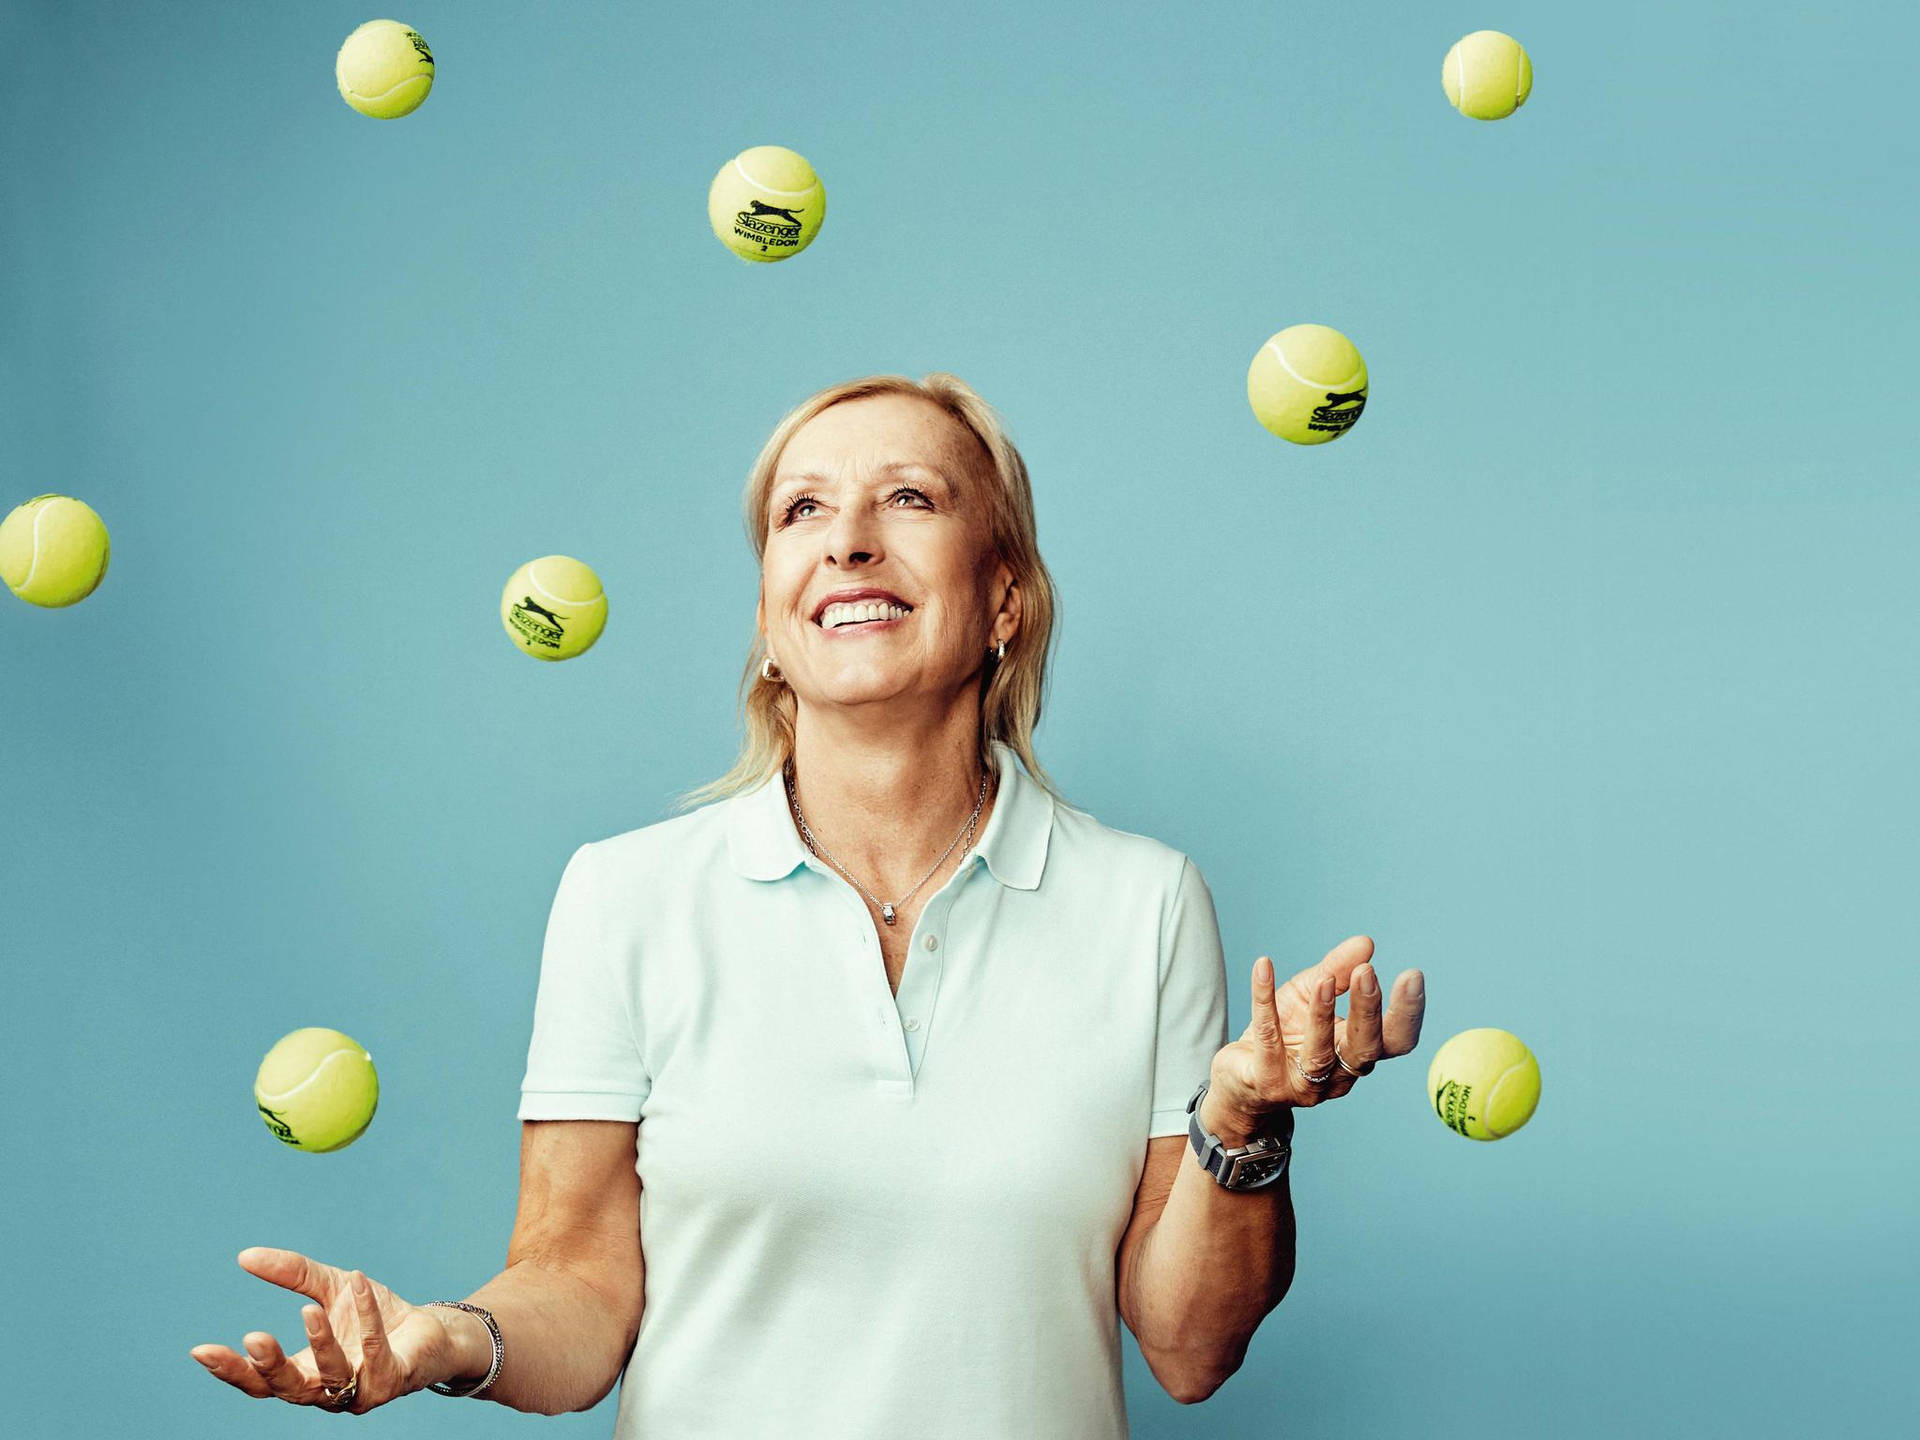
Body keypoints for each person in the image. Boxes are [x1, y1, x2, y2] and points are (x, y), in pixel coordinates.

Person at [189, 373, 1426, 1432]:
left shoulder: (1146, 902)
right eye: (804, 511)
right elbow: (578, 1284)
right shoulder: (624, 895)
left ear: (1005, 600)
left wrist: (1246, 1116)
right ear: (776, 623)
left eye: (909, 498)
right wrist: (443, 1343)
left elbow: (1190, 1349)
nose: (847, 540)